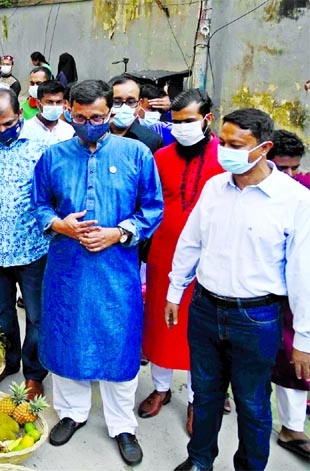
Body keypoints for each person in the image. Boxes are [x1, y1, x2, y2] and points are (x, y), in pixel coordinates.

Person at [30, 79, 163, 467]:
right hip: (67, 268)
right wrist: (61, 226)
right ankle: (72, 413)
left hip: (116, 269)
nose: (91, 124)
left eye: (100, 117)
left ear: (111, 115)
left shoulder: (137, 153)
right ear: (70, 112)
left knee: (118, 342)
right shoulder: (53, 158)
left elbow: (152, 209)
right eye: (83, 117)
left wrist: (118, 232)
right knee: (67, 336)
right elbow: (38, 206)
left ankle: (123, 426)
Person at [168, 109, 310, 471]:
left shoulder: (294, 200)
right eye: (223, 141)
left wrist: (304, 339)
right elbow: (191, 241)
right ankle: (200, 460)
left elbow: (302, 272)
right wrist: (175, 289)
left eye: (236, 145)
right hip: (205, 308)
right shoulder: (216, 186)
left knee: (252, 403)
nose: (224, 150)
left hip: (257, 318)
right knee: (205, 393)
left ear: (264, 148)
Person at [137, 89, 223, 435]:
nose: (182, 127)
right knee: (161, 325)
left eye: (189, 121)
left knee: (201, 334)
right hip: (164, 254)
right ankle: (160, 389)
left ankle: (197, 399)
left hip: (211, 259)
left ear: (207, 120)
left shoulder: (224, 158)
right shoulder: (161, 157)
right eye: (176, 122)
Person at [0, 88, 54, 398]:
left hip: (33, 249)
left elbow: (53, 194)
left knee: (36, 315)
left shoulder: (44, 146)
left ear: (19, 115)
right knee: (1, 313)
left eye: (7, 123)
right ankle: (8, 361)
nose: (1, 130)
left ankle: (34, 372)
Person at [264, 129, 310, 460]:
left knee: (294, 355)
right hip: (255, 288)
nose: (291, 176)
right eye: (283, 168)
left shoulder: (303, 192)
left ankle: (292, 427)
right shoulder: (246, 189)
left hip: (293, 286)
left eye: (296, 168)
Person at [108, 74, 163, 154]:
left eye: (131, 102)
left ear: (140, 104)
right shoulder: (95, 137)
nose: (124, 107)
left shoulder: (151, 140)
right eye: (116, 102)